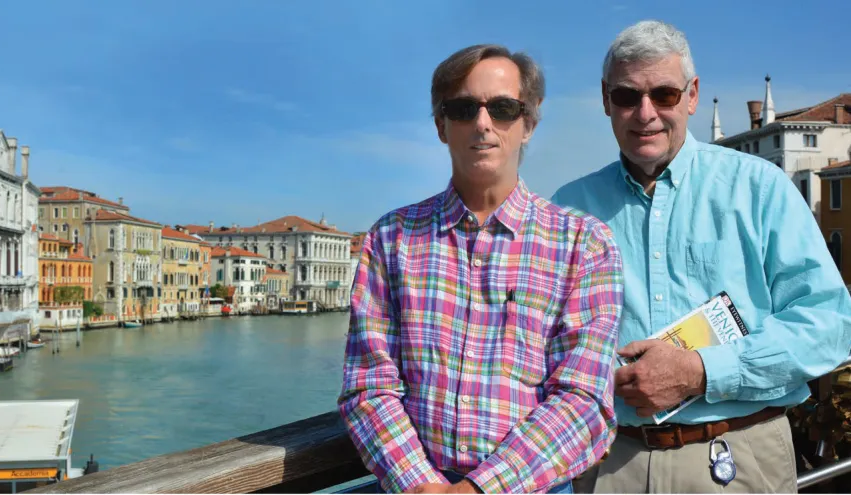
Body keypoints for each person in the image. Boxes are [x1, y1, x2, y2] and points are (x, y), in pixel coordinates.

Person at [551, 20, 851, 493]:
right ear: (606, 99)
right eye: (628, 96)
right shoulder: (568, 209)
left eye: (664, 95)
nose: (645, 113)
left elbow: (830, 323)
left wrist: (700, 372)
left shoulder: (760, 188)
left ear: (692, 97)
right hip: (609, 465)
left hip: (739, 456)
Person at [339, 44, 625, 494]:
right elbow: (369, 386)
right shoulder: (389, 239)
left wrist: (480, 489)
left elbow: (583, 400)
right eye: (464, 108)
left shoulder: (584, 245)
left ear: (528, 123)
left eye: (504, 107)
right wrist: (422, 485)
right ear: (441, 125)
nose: (483, 123)